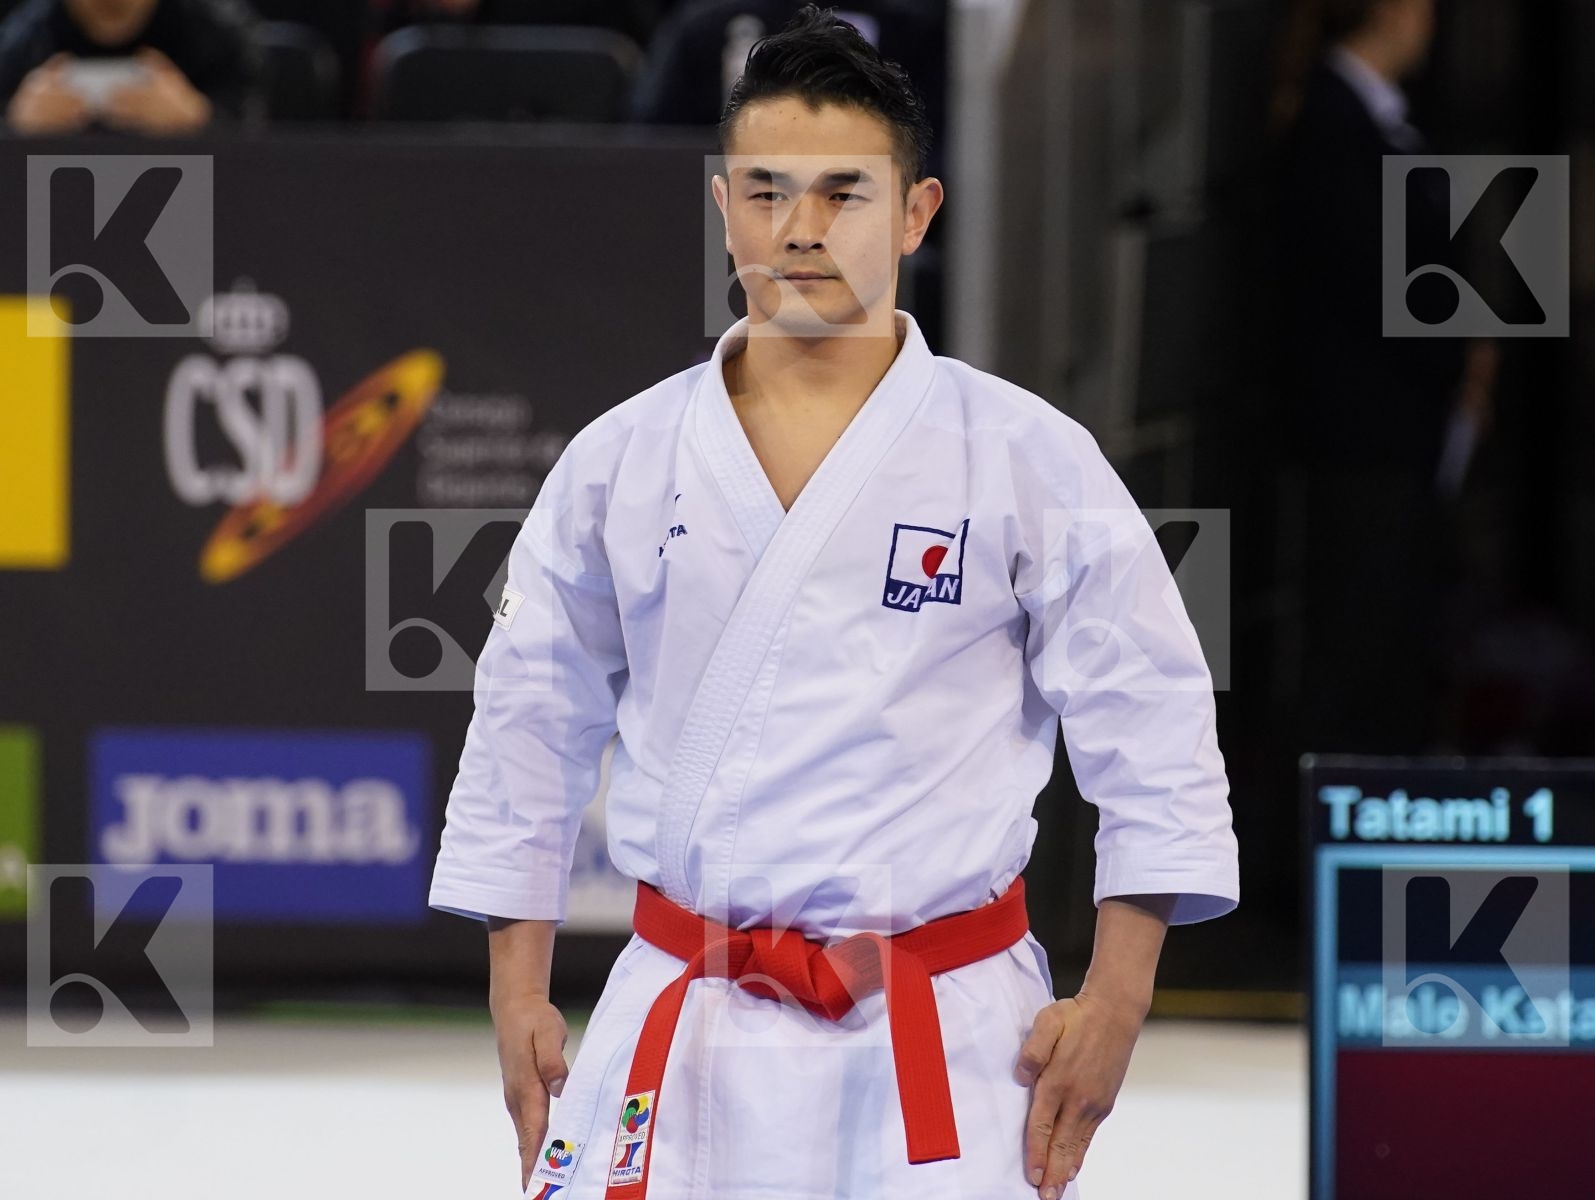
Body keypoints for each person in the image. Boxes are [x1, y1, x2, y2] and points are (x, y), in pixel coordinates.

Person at [428, 7, 1240, 1199]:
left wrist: (1117, 999)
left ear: (915, 213)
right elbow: (526, 724)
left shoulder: (1023, 455)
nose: (798, 228)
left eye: (842, 193)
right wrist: (517, 987)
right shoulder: (620, 458)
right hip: (684, 1015)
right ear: (722, 207)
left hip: (945, 1025)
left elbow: (1152, 727)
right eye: (764, 191)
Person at [1272, 0, 1497, 756]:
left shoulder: (1388, 121)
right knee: (1359, 642)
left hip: (1404, 429)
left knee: (1399, 635)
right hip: (1361, 435)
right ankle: (1345, 808)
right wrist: (1458, 350)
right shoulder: (1333, 123)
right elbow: (1377, 279)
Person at [0, 0, 260, 135]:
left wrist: (200, 119)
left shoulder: (219, 35)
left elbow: (259, 128)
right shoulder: (26, 38)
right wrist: (16, 126)